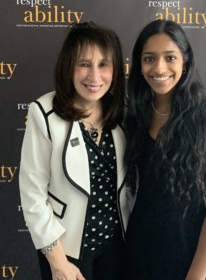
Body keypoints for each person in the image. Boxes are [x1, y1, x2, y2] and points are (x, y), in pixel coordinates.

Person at [124, 19, 206, 280]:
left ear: (185, 61)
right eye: (149, 58)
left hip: (190, 261)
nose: (159, 67)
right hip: (138, 258)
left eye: (170, 57)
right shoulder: (135, 118)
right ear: (140, 65)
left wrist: (195, 276)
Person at [19, 21, 130, 280]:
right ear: (68, 67)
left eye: (103, 64)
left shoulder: (124, 113)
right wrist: (58, 263)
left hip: (117, 249)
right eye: (84, 64)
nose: (94, 76)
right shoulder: (44, 113)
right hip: (65, 251)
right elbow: (32, 194)